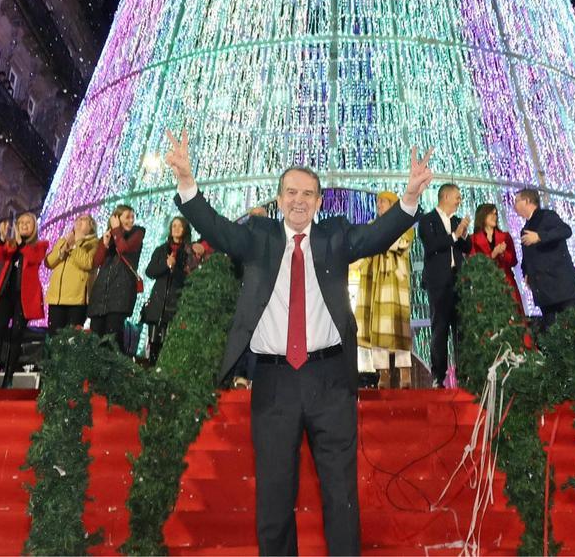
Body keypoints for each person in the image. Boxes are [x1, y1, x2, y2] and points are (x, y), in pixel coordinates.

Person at [166, 128, 429, 557]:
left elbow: (376, 236)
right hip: (273, 384)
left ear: (320, 202)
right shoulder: (258, 236)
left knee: (341, 496)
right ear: (279, 198)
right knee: (273, 497)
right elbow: (215, 227)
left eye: (308, 193)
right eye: (291, 192)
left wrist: (410, 198)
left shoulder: (334, 237)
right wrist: (187, 183)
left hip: (330, 381)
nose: (299, 200)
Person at [353, 191, 415, 388]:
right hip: (374, 280)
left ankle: (405, 373)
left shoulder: (404, 225)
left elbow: (401, 244)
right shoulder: (372, 226)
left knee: (399, 327)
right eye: (378, 201)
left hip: (394, 282)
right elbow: (363, 250)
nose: (379, 204)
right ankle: (383, 374)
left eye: (383, 201)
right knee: (377, 327)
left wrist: (379, 237)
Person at [418, 183, 471, 388]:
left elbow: (466, 247)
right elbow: (431, 246)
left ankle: (464, 375)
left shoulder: (457, 221)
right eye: (457, 197)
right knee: (439, 329)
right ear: (446, 196)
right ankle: (438, 377)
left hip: (458, 280)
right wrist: (454, 235)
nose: (459, 201)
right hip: (438, 282)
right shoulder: (427, 220)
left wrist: (463, 234)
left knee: (461, 329)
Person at [0, 212, 49, 387]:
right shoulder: (12, 245)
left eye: (27, 223)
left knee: (16, 334)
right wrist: (1, 238)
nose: (23, 225)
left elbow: (33, 258)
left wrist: (21, 243)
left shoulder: (40, 245)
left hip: (24, 298)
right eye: (20, 222)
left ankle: (8, 377)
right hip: (5, 295)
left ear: (34, 227)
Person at [513, 188, 575, 330]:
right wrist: (526, 273)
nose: (514, 205)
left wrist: (539, 236)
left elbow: (565, 230)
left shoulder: (547, 216)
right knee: (551, 333)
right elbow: (527, 256)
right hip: (544, 292)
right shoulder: (525, 228)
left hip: (562, 288)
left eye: (516, 201)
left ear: (527, 201)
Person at [88, 205, 145, 353]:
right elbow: (97, 262)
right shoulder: (109, 236)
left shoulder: (137, 233)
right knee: (95, 340)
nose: (131, 220)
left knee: (113, 339)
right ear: (116, 218)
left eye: (132, 217)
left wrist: (116, 230)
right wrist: (105, 245)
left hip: (120, 294)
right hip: (101, 295)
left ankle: (115, 373)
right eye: (127, 217)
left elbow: (123, 248)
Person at [142, 215, 195, 363]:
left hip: (175, 305)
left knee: (168, 345)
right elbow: (150, 271)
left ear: (185, 230)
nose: (176, 229)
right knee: (154, 343)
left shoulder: (188, 252)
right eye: (174, 226)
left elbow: (187, 279)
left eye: (180, 226)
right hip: (157, 304)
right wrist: (166, 264)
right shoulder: (161, 250)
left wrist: (174, 267)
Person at [45, 214, 99, 333]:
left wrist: (77, 243)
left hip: (76, 301)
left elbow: (87, 263)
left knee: (71, 339)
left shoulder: (94, 243)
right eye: (78, 219)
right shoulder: (63, 241)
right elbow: (49, 262)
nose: (79, 221)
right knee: (53, 337)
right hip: (57, 298)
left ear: (92, 226)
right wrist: (64, 248)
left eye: (84, 219)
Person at [469, 202, 524, 314]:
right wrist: (493, 254)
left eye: (496, 214)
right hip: (485, 286)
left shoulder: (505, 236)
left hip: (506, 284)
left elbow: (513, 261)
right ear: (482, 216)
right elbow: (474, 264)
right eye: (491, 214)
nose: (495, 216)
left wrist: (503, 253)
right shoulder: (472, 239)